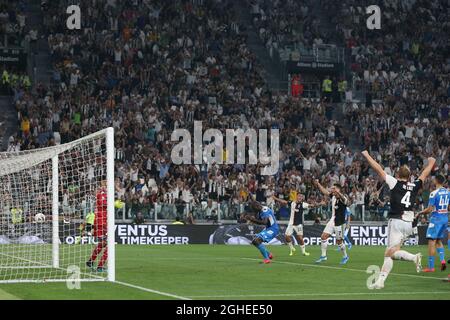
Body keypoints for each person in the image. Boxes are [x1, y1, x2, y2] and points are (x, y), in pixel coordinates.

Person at [361, 150, 436, 289]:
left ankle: (414, 257)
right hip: (409, 223)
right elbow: (424, 174)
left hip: (396, 221)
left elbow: (378, 168)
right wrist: (431, 162)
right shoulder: (414, 185)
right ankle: (381, 281)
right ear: (409, 177)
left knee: (390, 252)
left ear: (398, 175)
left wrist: (367, 156)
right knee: (389, 253)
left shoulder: (394, 182)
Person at [313, 180, 350, 265]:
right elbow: (325, 192)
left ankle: (345, 256)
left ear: (338, 190)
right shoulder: (333, 197)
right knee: (323, 237)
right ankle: (323, 256)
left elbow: (347, 202)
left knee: (339, 242)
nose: (332, 189)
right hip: (332, 220)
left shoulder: (343, 198)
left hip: (340, 223)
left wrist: (338, 192)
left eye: (334, 188)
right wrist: (318, 184)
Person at [418, 174, 449, 272]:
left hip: (436, 219)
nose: (432, 181)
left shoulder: (434, 193)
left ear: (436, 181)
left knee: (431, 242)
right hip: (445, 219)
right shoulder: (448, 192)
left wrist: (420, 213)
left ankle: (431, 267)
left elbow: (429, 209)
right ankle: (443, 261)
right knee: (438, 241)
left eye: (433, 179)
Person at [86, 181, 108, 272]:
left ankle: (91, 261)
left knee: (103, 243)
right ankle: (100, 266)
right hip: (101, 222)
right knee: (109, 245)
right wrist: (113, 204)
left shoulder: (105, 195)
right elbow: (104, 204)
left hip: (103, 222)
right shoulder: (101, 194)